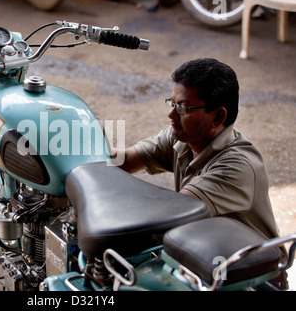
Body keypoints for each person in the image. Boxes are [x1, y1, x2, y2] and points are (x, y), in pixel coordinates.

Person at [114, 58, 288, 288]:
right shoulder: (183, 136)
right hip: (205, 255)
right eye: (171, 103)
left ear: (217, 117)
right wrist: (76, 156)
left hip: (251, 277)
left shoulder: (237, 166)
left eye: (183, 107)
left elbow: (173, 211)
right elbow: (124, 160)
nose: (171, 115)